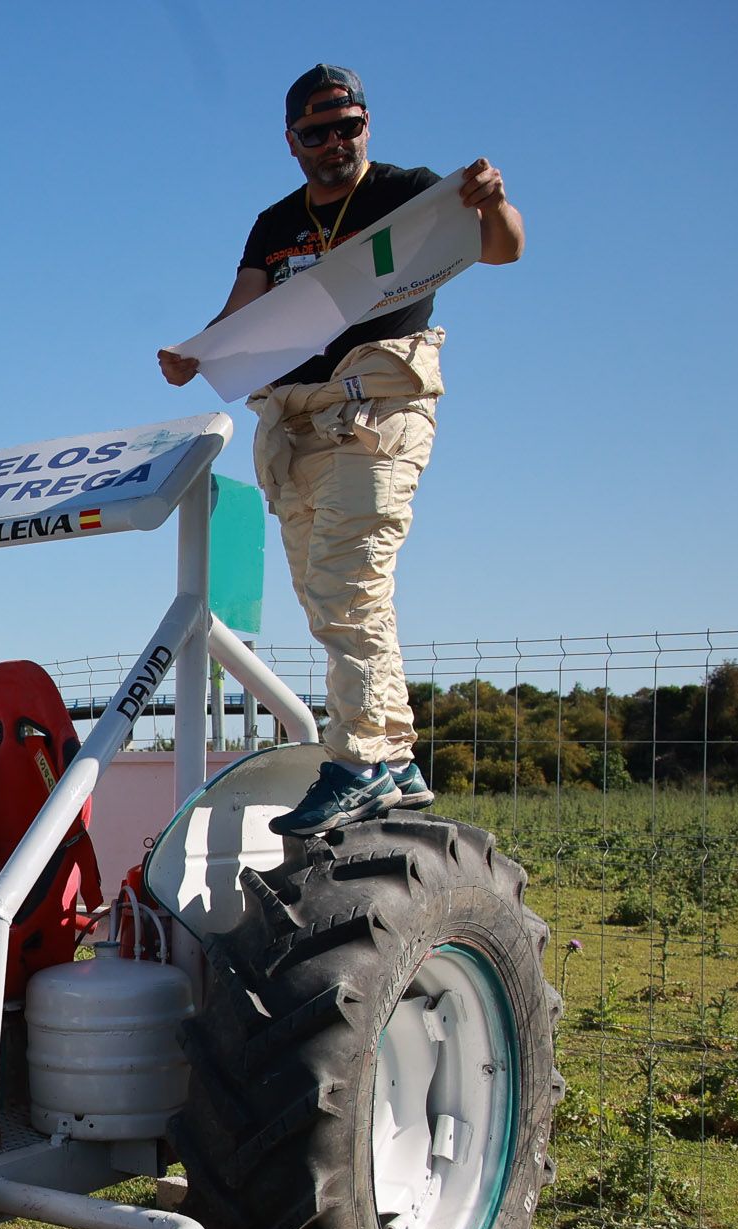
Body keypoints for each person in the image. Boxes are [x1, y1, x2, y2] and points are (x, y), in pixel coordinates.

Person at [159, 64, 525, 834]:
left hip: (378, 411)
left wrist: (494, 204)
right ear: (290, 142)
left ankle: (358, 761)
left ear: (368, 125)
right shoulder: (274, 222)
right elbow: (242, 313)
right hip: (295, 423)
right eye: (316, 131)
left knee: (347, 582)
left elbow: (503, 250)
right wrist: (196, 353)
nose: (335, 142)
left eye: (348, 125)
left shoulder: (409, 191)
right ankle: (395, 759)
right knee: (331, 594)